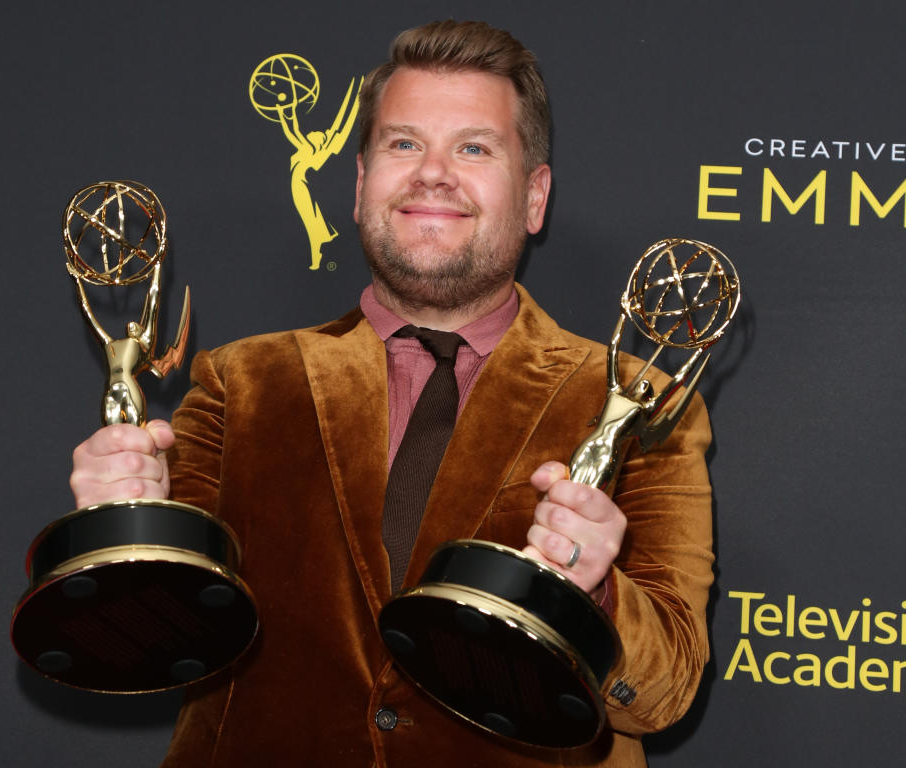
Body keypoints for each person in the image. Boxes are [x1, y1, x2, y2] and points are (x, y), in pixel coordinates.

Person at [70, 20, 713, 767]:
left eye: (474, 148)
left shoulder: (649, 407)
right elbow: (162, 637)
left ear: (535, 197)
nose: (432, 173)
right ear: (360, 183)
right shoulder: (236, 383)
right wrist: (124, 536)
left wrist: (597, 595)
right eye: (404, 144)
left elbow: (664, 693)